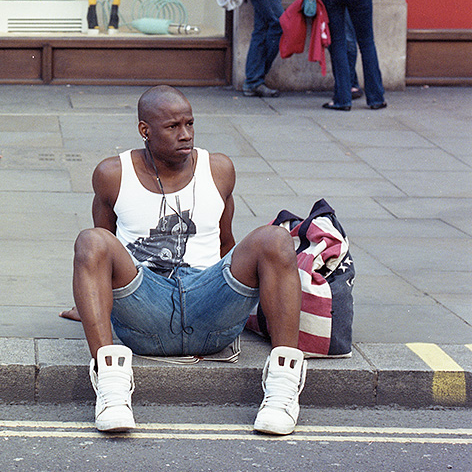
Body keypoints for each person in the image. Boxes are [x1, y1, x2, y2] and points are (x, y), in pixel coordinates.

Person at [71, 85, 306, 435]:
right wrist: (90, 305)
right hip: (144, 313)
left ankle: (282, 390)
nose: (186, 135)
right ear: (144, 130)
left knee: (274, 239)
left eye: (190, 124)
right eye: (173, 127)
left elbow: (228, 246)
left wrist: (264, 299)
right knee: (90, 241)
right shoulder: (112, 174)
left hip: (210, 308)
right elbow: (102, 253)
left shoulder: (220, 169)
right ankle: (112, 389)